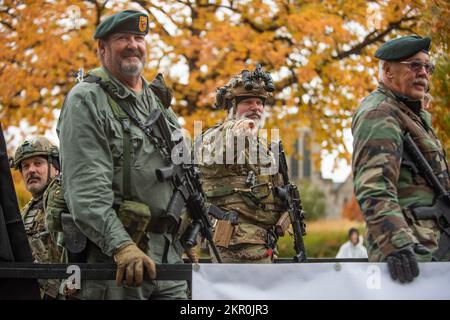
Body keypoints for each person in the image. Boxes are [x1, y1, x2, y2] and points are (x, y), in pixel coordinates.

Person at [57, 10, 190, 299]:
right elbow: (85, 189)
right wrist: (121, 245)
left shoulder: (157, 102)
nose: (133, 44)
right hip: (116, 265)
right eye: (122, 38)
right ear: (102, 48)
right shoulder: (87, 99)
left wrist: (187, 231)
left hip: (168, 257)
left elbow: (181, 171)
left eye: (139, 38)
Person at [352, 35, 450, 283]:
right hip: (408, 257)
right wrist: (397, 243)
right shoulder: (380, 112)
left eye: (428, 67)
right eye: (414, 65)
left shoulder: (409, 114)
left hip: (430, 251)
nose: (423, 73)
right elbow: (374, 186)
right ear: (387, 70)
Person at [196, 65, 290, 263]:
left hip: (264, 244)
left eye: (260, 102)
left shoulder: (263, 145)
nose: (256, 108)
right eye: (247, 102)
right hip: (234, 245)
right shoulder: (216, 136)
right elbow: (214, 156)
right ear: (232, 108)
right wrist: (237, 131)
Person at [11, 137, 62, 299]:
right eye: (25, 166)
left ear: (55, 168)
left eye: (38, 163)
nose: (31, 170)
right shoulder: (22, 213)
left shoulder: (68, 200)